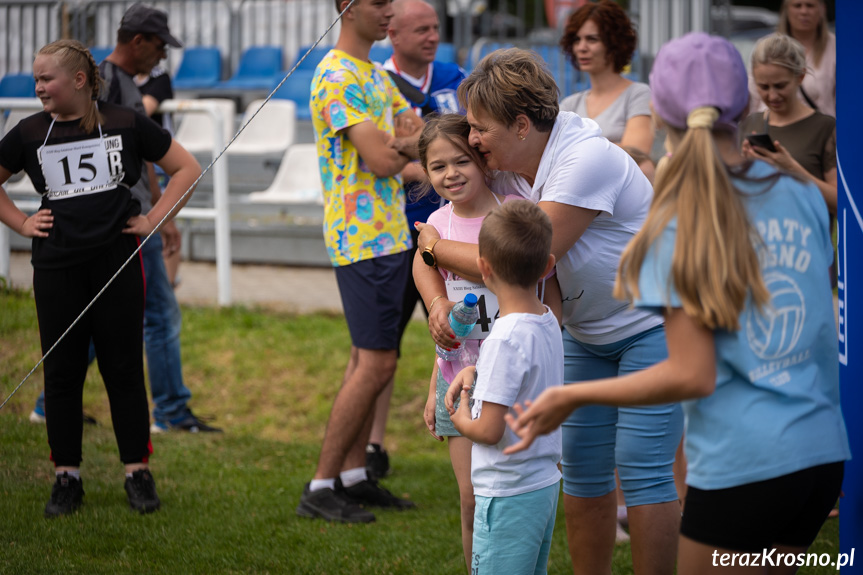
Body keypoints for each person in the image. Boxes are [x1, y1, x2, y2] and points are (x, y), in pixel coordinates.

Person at [504, 32, 850, 573]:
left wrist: (576, 397)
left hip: (743, 466)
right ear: (745, 103)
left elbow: (691, 373)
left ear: (658, 110)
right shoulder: (801, 192)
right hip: (822, 457)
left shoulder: (675, 217)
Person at [415, 48, 682, 575]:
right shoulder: (512, 170)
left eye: (479, 129)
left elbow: (522, 261)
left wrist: (431, 245)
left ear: (520, 125)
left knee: (645, 472)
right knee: (582, 471)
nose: (472, 140)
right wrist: (437, 287)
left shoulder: (585, 159)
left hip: (650, 324)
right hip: (582, 333)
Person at [0, 39, 201, 516]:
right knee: (63, 374)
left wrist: (152, 220)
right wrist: (22, 222)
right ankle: (66, 477)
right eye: (35, 79)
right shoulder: (28, 132)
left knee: (124, 371)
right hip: (56, 271)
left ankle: (138, 472)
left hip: (117, 267)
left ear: (79, 80)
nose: (39, 87)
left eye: (47, 79)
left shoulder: (126, 122)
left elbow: (186, 169)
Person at [295, 0, 424, 523]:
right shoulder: (335, 75)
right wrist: (404, 145)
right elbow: (383, 158)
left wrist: (405, 142)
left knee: (365, 358)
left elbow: (416, 131)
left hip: (387, 236)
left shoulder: (372, 73)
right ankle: (320, 486)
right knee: (377, 363)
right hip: (362, 240)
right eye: (378, 3)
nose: (388, 12)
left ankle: (352, 477)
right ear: (347, 9)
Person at [414, 113, 545, 569]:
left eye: (461, 161)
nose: (451, 174)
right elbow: (426, 268)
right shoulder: (436, 223)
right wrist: (434, 307)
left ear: (482, 161)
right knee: (471, 499)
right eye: (437, 166)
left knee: (512, 493)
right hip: (459, 383)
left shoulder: (511, 210)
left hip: (515, 378)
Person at [100, 2, 220, 433]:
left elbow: (144, 160)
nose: (163, 55)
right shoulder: (105, 85)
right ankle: (170, 411)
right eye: (158, 44)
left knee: (103, 313)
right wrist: (149, 216)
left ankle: (48, 401)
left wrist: (162, 214)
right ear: (137, 41)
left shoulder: (123, 84)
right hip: (126, 224)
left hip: (138, 217)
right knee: (160, 315)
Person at [365, 0, 467, 481]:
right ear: (393, 35)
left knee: (459, 330)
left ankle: (467, 423)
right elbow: (376, 156)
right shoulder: (374, 82)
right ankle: (372, 445)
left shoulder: (456, 77)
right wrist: (434, 168)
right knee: (381, 344)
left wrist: (428, 162)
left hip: (458, 232)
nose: (432, 35)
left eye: (435, 27)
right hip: (396, 231)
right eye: (420, 28)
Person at [443, 199, 562, 575]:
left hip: (506, 492)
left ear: (482, 268)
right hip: (543, 484)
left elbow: (489, 431)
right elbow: (524, 374)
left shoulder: (503, 338)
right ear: (547, 266)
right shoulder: (547, 321)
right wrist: (476, 372)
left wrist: (460, 417)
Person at [742, 33, 836, 215]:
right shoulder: (750, 124)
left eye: (780, 86)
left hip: (808, 240)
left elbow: (841, 204)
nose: (772, 96)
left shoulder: (825, 128)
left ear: (800, 77)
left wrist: (792, 169)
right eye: (763, 87)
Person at [558, 0, 653, 155]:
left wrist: (573, 150)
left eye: (592, 39)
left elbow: (637, 154)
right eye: (577, 40)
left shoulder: (638, 94)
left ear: (614, 43)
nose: (582, 47)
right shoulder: (570, 105)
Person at [748, 0, 835, 118]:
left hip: (817, 130)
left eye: (810, 5)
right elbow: (754, 97)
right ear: (786, 9)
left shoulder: (836, 48)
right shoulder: (766, 47)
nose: (804, 12)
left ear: (822, 9)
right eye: (797, 5)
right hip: (770, 127)